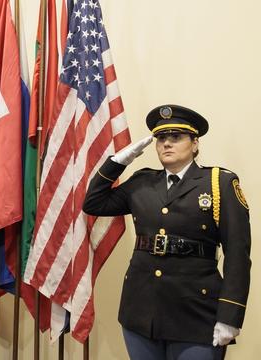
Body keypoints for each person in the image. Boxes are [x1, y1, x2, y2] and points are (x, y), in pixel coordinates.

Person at [83, 105, 251, 359]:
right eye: (161, 138)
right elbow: (94, 204)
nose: (167, 144)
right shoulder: (142, 182)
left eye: (176, 137)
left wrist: (231, 315)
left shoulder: (219, 183)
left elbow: (238, 254)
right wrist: (118, 162)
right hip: (141, 311)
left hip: (196, 312)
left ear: (195, 144)